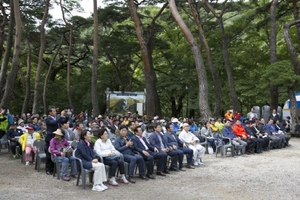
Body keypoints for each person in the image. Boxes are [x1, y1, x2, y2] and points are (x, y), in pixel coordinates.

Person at [45, 106, 70, 175]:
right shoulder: (48, 119)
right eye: (54, 111)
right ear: (50, 112)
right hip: (50, 137)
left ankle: (55, 168)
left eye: (55, 111)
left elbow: (63, 121)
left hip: (57, 137)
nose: (55, 112)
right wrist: (61, 116)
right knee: (49, 153)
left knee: (57, 152)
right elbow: (54, 123)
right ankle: (48, 169)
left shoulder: (56, 118)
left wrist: (67, 116)